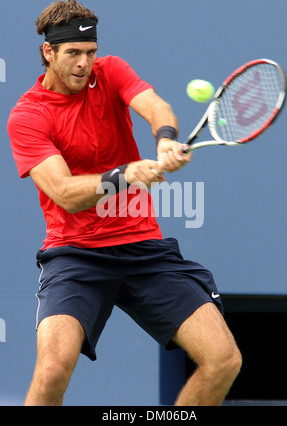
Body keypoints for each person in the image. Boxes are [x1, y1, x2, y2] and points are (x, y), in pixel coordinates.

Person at [8, 0, 241, 406]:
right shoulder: (28, 116)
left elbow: (153, 106)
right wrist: (127, 175)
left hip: (143, 247)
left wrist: (165, 135)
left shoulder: (111, 71)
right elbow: (64, 192)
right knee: (51, 371)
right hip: (75, 255)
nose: (85, 63)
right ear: (49, 52)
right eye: (73, 54)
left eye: (90, 52)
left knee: (223, 359)